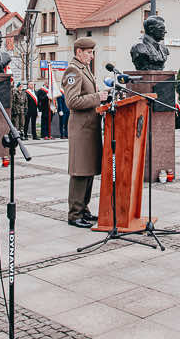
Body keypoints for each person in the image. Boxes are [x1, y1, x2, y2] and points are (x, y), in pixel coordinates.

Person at [62, 37, 107, 228]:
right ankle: (74, 214)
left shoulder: (84, 69)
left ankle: (84, 209)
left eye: (92, 52)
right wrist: (98, 97)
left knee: (88, 171)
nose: (91, 55)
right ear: (79, 52)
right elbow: (72, 101)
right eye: (89, 52)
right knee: (80, 171)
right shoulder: (73, 70)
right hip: (81, 129)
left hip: (90, 128)